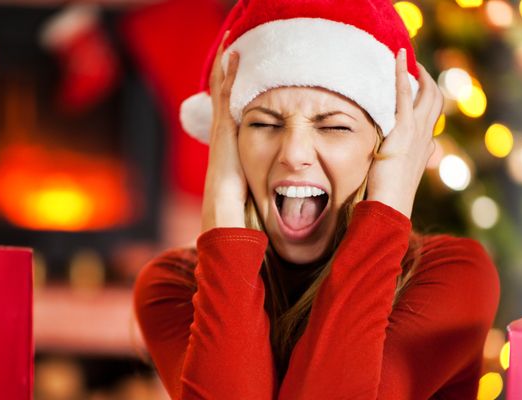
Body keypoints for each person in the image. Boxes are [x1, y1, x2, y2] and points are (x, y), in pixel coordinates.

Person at [132, 0, 502, 398]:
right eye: (264, 123)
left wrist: (388, 203)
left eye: (334, 127)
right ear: (230, 141)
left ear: (384, 147)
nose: (293, 153)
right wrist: (222, 198)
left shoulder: (452, 277)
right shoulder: (172, 286)